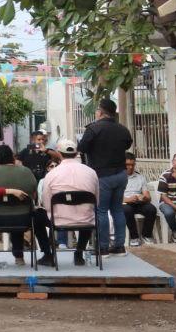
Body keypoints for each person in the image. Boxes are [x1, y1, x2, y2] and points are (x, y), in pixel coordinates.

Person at [0, 145, 55, 267]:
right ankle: (45, 254)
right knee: (34, 216)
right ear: (12, 157)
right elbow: (34, 194)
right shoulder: (26, 171)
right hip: (24, 218)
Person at [77, 98, 134, 257]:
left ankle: (102, 248)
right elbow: (127, 144)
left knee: (101, 211)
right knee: (117, 209)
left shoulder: (93, 129)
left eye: (97, 110)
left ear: (101, 112)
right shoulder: (123, 129)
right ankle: (119, 246)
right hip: (121, 174)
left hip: (102, 175)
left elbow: (82, 148)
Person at [42, 138, 99, 266]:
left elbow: (46, 204)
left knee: (39, 217)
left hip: (59, 220)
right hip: (86, 220)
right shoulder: (91, 172)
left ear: (58, 153)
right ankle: (79, 252)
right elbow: (97, 201)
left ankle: (48, 255)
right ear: (76, 153)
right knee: (88, 215)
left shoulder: (52, 174)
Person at [122, 153, 157, 247]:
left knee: (151, 209)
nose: (130, 167)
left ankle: (146, 235)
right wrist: (128, 199)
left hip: (139, 202)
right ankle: (134, 237)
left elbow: (147, 196)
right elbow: (115, 197)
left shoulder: (140, 177)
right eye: (127, 165)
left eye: (132, 165)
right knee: (127, 210)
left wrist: (144, 197)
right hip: (125, 203)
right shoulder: (118, 178)